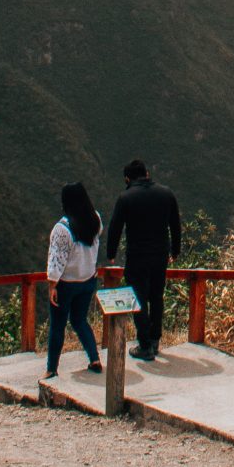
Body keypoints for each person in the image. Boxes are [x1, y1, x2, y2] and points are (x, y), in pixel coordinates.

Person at [105, 158, 183, 361]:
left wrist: (111, 253)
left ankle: (145, 345)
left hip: (137, 256)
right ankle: (155, 340)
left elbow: (115, 227)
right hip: (160, 255)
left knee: (138, 299)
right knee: (156, 296)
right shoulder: (166, 194)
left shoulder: (126, 198)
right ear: (147, 174)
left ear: (127, 179)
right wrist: (175, 250)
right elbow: (175, 225)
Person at [44, 180, 103, 378]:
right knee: (79, 320)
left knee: (57, 326)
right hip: (88, 280)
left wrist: (53, 285)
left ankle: (51, 369)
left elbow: (57, 260)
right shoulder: (95, 220)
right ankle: (94, 358)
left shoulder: (62, 229)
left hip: (67, 284)